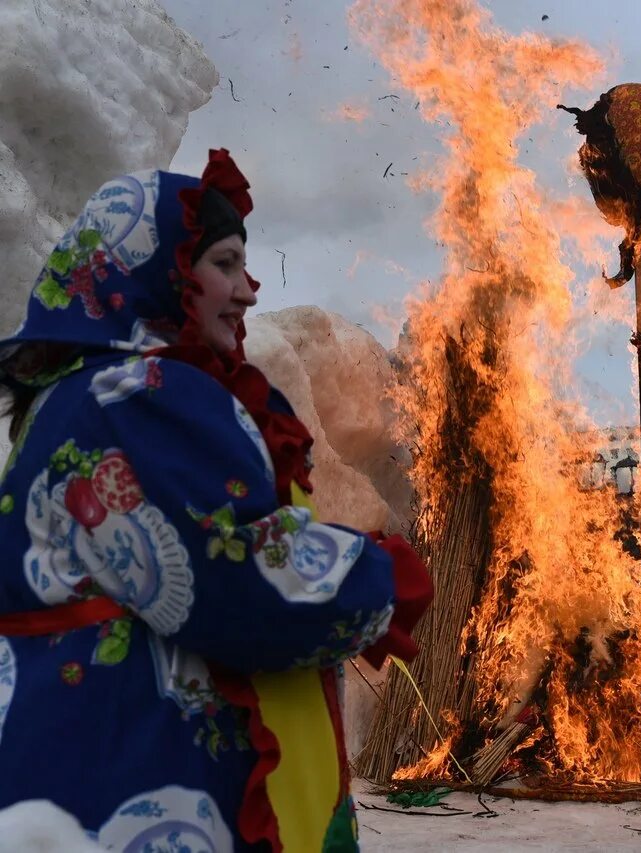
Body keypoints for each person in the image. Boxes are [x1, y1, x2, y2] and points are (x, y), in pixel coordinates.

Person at [0, 152, 433, 850]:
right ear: (161, 272)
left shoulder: (74, 395)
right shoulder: (137, 395)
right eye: (225, 263)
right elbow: (229, 573)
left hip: (75, 760)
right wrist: (380, 576)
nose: (248, 289)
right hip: (134, 772)